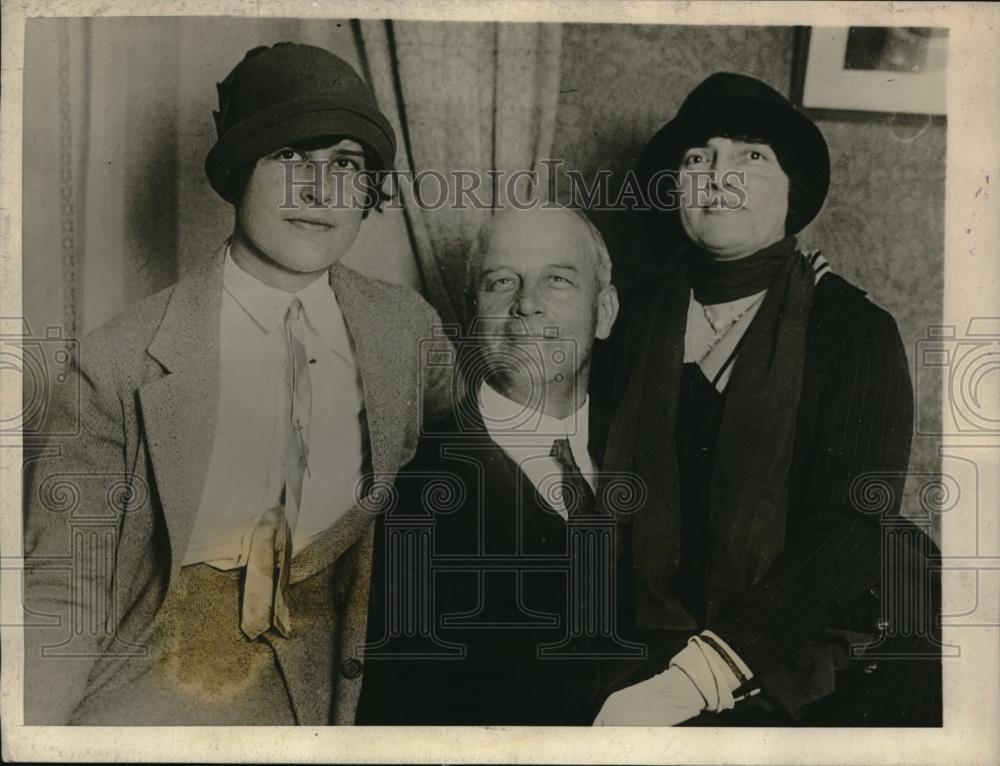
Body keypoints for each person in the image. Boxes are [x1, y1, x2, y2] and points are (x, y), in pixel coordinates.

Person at [23, 42, 454, 725]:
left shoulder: (407, 331)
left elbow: (489, 468)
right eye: (290, 158)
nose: (319, 192)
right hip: (166, 689)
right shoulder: (119, 362)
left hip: (346, 695)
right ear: (235, 175)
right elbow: (62, 593)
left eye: (345, 164)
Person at [594, 72, 940, 726]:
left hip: (813, 652)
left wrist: (694, 680)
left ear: (793, 190)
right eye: (698, 158)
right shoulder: (631, 322)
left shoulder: (852, 330)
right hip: (648, 635)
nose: (717, 174)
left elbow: (850, 527)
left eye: (751, 156)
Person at [356, 205, 636, 725]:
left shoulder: (650, 450)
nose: (526, 305)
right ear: (469, 312)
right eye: (501, 282)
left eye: (557, 280)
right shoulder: (413, 491)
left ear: (605, 312)